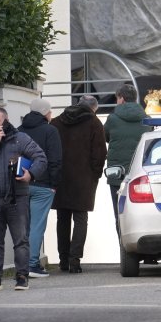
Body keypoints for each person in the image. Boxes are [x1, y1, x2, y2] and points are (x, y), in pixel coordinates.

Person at [0, 107, 47, 292]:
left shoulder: (20, 139)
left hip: (16, 198)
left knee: (20, 240)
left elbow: (41, 158)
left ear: (5, 120)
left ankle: (22, 277)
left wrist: (31, 174)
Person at [51, 95, 107, 273]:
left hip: (60, 177)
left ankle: (63, 260)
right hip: (84, 178)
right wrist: (95, 174)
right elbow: (100, 153)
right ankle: (74, 261)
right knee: (81, 219)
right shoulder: (94, 123)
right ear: (94, 108)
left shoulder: (56, 121)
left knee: (62, 218)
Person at [18, 98, 63, 278]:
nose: (51, 114)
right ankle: (32, 264)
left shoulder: (19, 130)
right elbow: (55, 159)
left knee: (24, 227)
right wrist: (54, 185)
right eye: (50, 111)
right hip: (43, 185)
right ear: (45, 112)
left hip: (21, 183)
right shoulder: (50, 131)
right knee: (37, 226)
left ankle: (22, 265)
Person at [103, 84, 151, 232]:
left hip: (118, 174)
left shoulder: (112, 119)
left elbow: (105, 137)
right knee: (142, 213)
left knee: (119, 215)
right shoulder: (147, 119)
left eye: (117, 98)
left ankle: (123, 244)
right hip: (140, 174)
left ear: (122, 99)